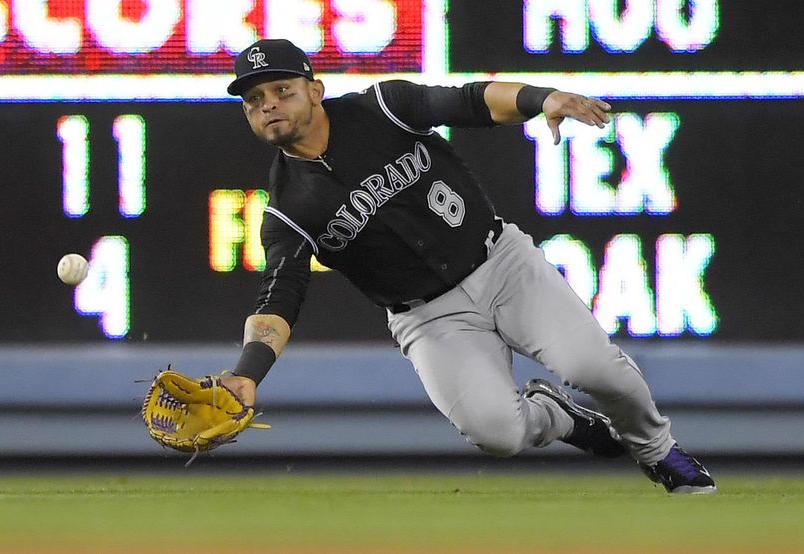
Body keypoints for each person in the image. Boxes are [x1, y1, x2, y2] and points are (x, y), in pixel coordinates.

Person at [219, 38, 716, 494]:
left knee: (595, 368)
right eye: (252, 99)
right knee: (497, 434)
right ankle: (560, 419)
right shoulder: (287, 209)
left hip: (500, 264)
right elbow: (278, 299)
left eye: (281, 89)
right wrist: (248, 373)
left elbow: (471, 100)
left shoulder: (384, 107)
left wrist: (540, 97)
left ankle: (657, 451)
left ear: (315, 90)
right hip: (429, 318)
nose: (267, 104)